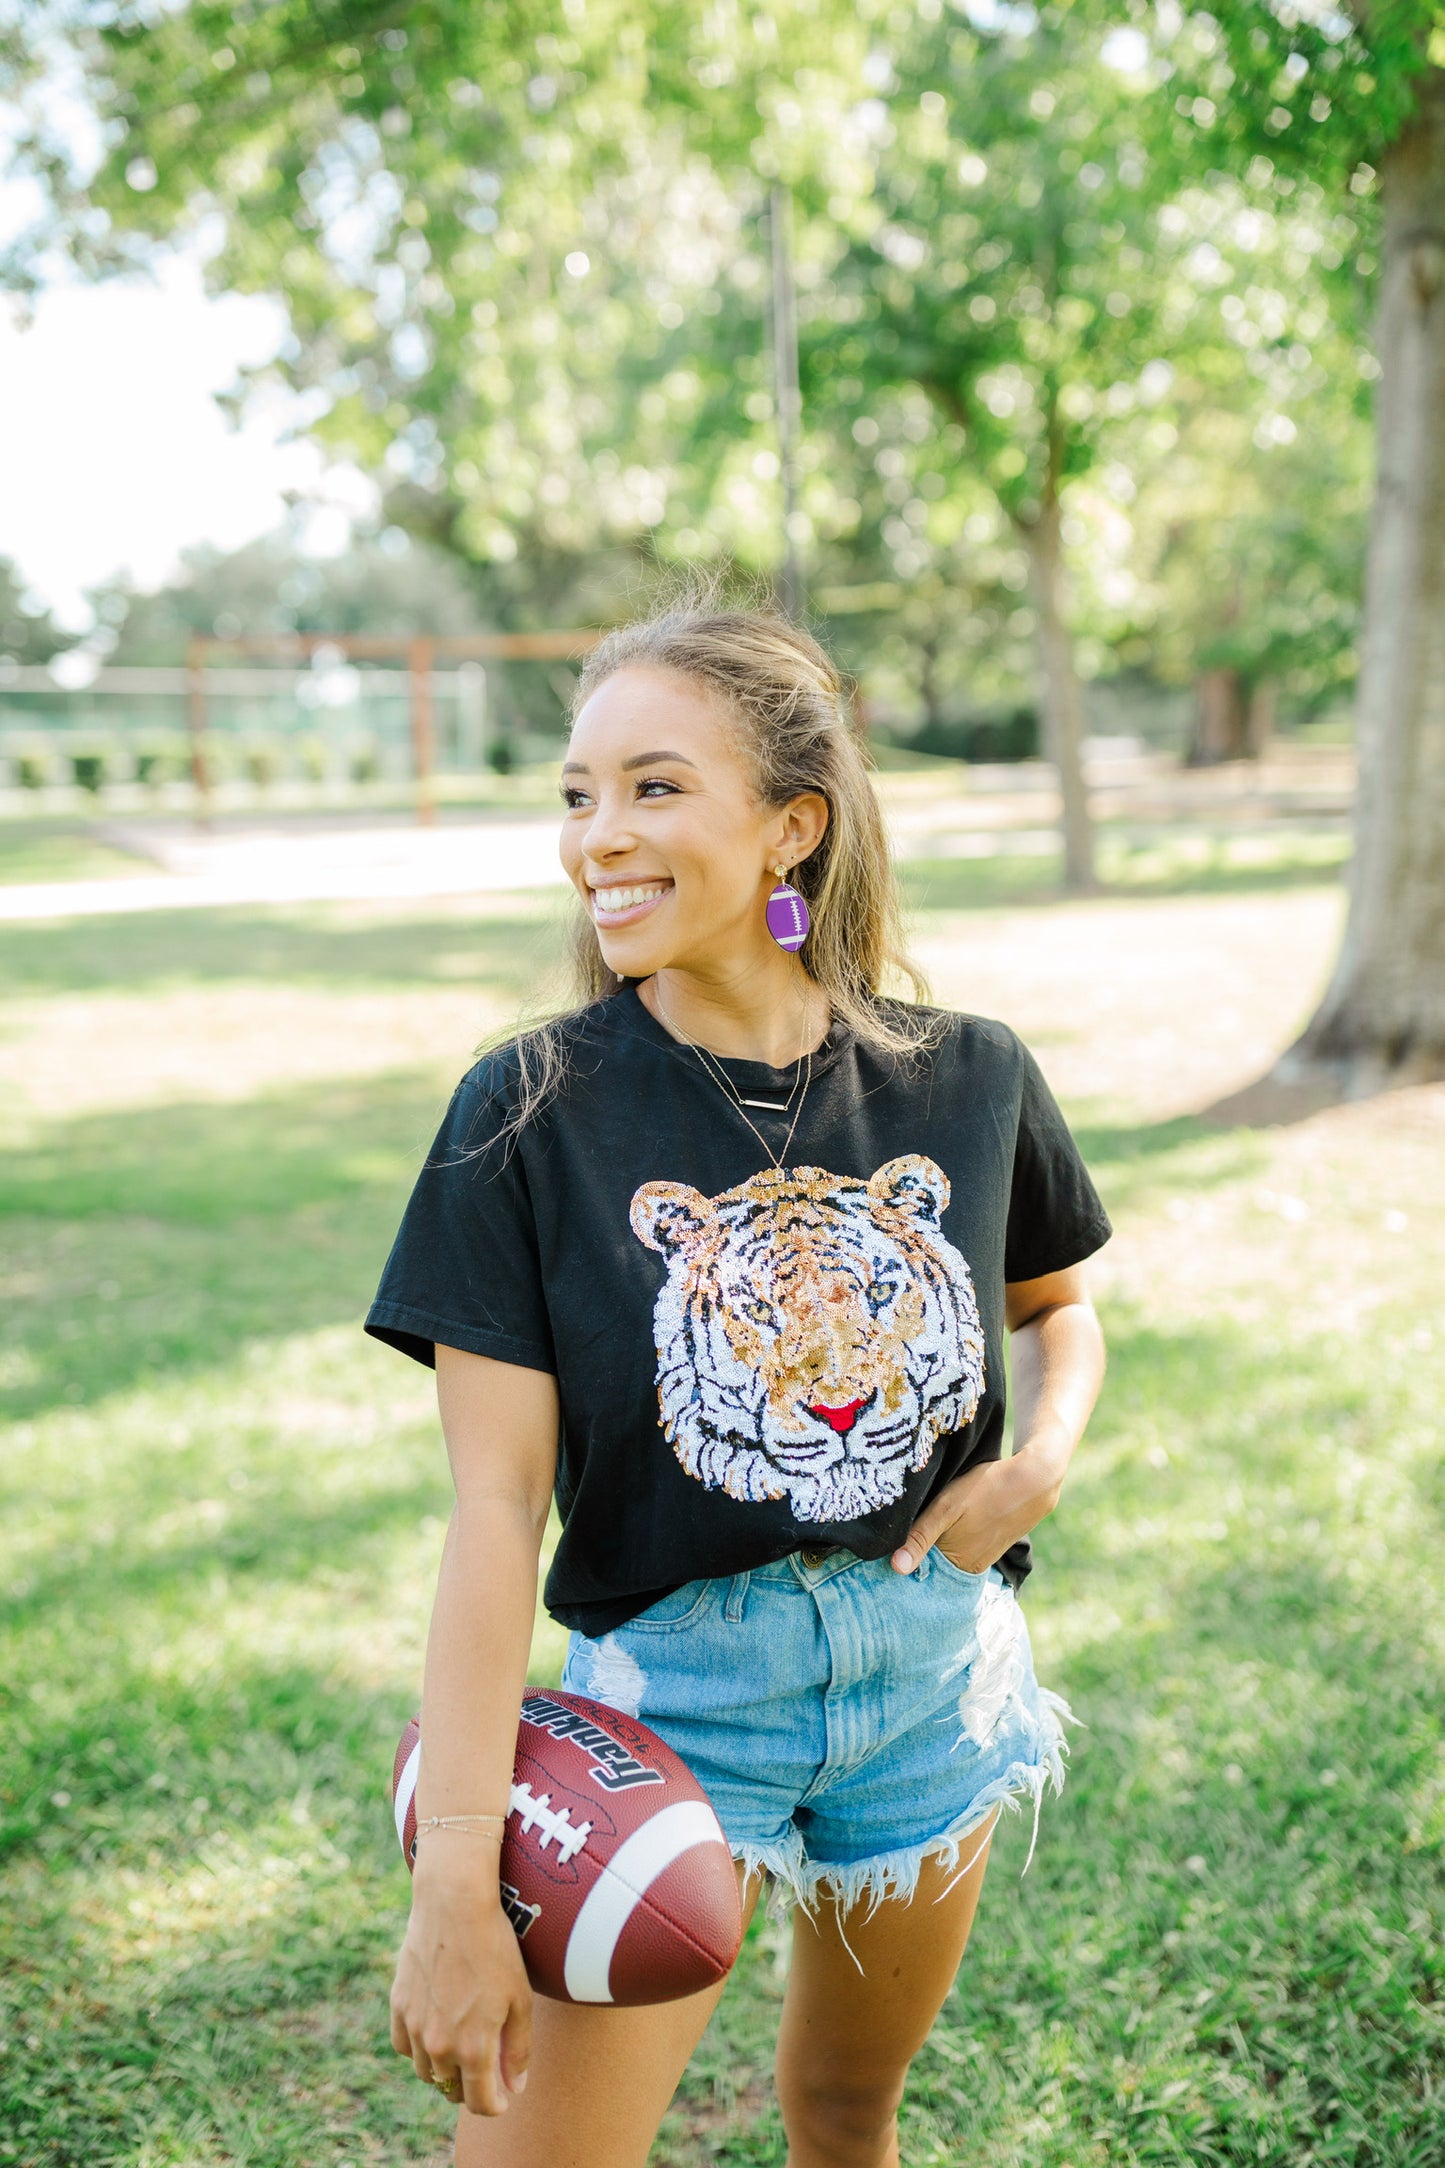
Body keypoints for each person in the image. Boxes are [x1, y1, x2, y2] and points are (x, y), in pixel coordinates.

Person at [366, 598, 1110, 2168]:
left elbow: (1055, 1306)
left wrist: (1041, 1456)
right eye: (578, 794)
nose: (596, 836)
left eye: (653, 787)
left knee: (844, 2113)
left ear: (791, 828)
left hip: (932, 1677)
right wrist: (454, 1876)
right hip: (673, 1709)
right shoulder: (526, 1111)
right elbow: (493, 1510)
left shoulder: (968, 1074)